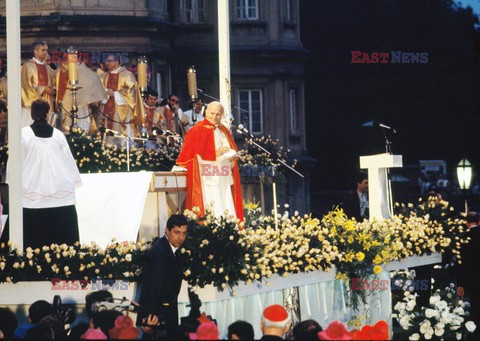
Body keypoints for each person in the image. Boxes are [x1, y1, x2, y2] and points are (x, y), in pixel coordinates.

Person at [7, 99, 82, 249]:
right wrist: (74, 181)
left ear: (32, 113)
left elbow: (15, 163)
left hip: (31, 193)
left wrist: (12, 181)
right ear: (48, 114)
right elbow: (68, 161)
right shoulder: (59, 135)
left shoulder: (23, 134)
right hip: (59, 196)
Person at [176, 101, 244, 220]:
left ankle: (228, 227)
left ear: (222, 115)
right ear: (206, 112)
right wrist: (216, 153)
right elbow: (195, 155)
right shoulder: (197, 130)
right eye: (212, 113)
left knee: (225, 199)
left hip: (224, 173)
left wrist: (232, 157)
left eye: (218, 114)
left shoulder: (224, 130)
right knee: (213, 202)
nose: (214, 116)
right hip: (207, 176)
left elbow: (231, 148)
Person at [138, 213, 188, 338]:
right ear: (167, 231)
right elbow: (153, 289)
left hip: (164, 313)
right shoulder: (159, 252)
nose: (181, 237)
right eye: (177, 232)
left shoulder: (168, 249)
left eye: (184, 233)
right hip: (158, 316)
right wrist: (148, 318)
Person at [55, 56, 107, 132]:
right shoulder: (61, 70)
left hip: (82, 104)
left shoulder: (83, 70)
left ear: (78, 58)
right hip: (67, 103)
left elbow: (92, 80)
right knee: (67, 126)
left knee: (82, 123)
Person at [99, 54, 144, 138]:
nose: (107, 63)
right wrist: (106, 92)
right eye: (106, 61)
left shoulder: (127, 75)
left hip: (122, 110)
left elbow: (131, 90)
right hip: (106, 109)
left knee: (121, 135)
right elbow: (99, 89)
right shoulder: (104, 76)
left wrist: (115, 94)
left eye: (110, 61)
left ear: (117, 62)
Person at [21, 40, 56, 127]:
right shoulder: (27, 66)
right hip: (31, 107)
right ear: (35, 51)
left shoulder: (48, 68)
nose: (45, 52)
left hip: (48, 104)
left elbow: (55, 81)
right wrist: (43, 89)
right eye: (43, 50)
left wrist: (53, 90)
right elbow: (25, 86)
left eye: (46, 50)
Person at [457, 211, 480, 336]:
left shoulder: (463, 238)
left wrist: (460, 284)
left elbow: (460, 263)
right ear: (479, 222)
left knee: (476, 306)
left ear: (466, 223)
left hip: (472, 279)